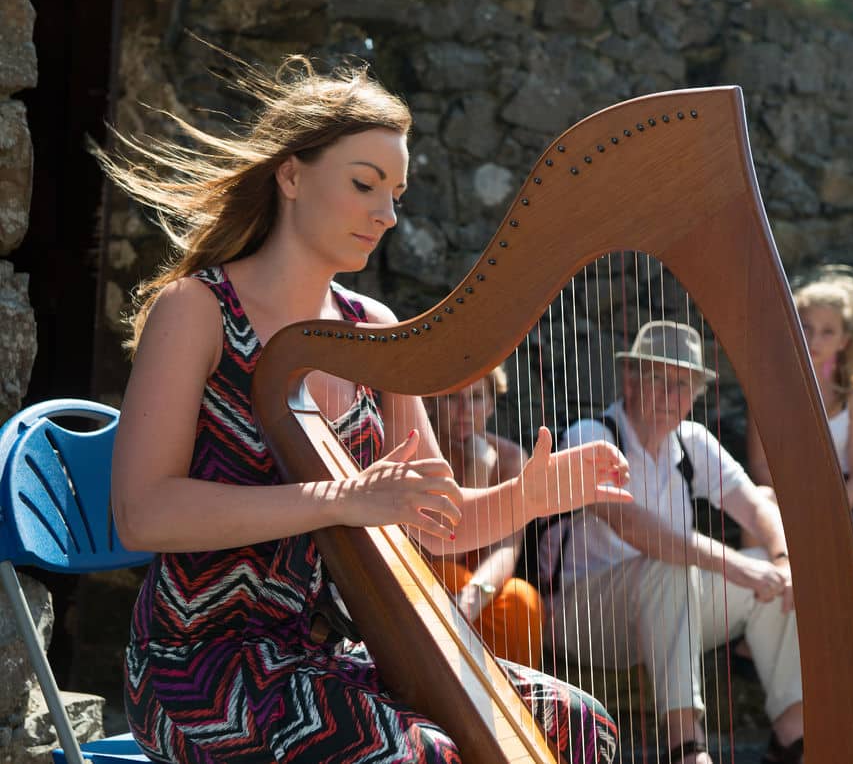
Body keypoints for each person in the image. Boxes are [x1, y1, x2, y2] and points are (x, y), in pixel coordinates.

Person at [98, 55, 635, 764]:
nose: (386, 214)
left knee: (578, 724)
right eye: (363, 184)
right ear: (291, 176)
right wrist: (343, 498)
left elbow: (436, 524)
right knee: (420, 754)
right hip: (199, 664)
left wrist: (530, 495)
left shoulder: (372, 328)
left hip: (332, 658)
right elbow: (144, 514)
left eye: (397, 193)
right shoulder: (196, 310)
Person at [541, 320, 804, 764]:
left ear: (696, 393)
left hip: (669, 609)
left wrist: (782, 560)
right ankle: (687, 747)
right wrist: (735, 566)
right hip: (582, 618)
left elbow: (757, 507)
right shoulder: (591, 436)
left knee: (772, 571)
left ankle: (791, 737)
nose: (668, 395)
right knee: (670, 563)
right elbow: (634, 528)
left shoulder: (693, 441)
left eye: (681, 384)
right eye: (656, 379)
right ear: (629, 380)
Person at [424, 365, 544, 667]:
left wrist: (474, 595)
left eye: (476, 398)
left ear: (490, 405)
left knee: (521, 599)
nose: (465, 410)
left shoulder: (510, 457)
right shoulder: (421, 452)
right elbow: (446, 554)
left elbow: (506, 548)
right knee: (450, 578)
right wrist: (477, 476)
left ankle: (513, 707)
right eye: (453, 398)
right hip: (438, 574)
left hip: (481, 584)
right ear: (430, 403)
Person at [747, 267, 853, 546]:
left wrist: (826, 509)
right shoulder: (769, 389)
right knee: (761, 508)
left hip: (838, 507)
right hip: (783, 500)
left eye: (828, 332)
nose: (814, 340)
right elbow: (759, 463)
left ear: (845, 341)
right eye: (806, 327)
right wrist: (797, 507)